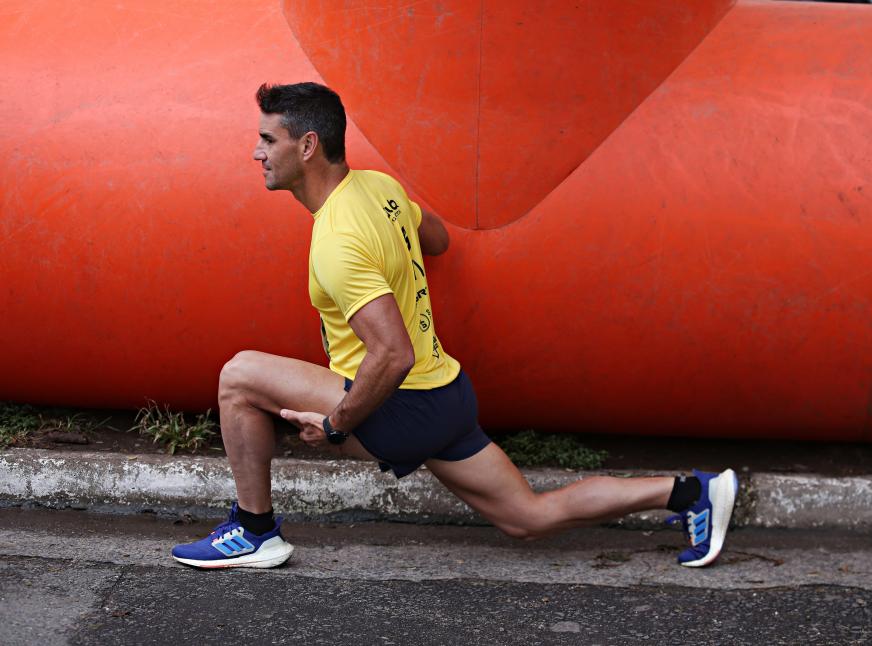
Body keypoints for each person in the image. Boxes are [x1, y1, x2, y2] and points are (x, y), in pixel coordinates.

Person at [171, 82, 737, 570]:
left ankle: (253, 530)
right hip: (447, 396)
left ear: (308, 145)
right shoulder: (379, 189)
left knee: (239, 375)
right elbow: (437, 238)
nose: (256, 152)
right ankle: (690, 493)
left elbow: (392, 356)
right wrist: (394, 252)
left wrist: (338, 426)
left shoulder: (337, 241)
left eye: (268, 140)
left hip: (399, 405)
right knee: (528, 517)